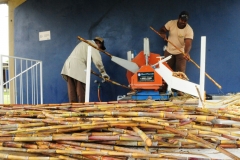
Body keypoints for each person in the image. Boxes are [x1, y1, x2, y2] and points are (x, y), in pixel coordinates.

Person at [61, 37, 110, 103]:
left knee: (72, 91)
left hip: (68, 66)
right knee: (81, 90)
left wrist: (88, 68)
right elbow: (98, 61)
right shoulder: (92, 44)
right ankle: (82, 110)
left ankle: (73, 110)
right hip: (78, 66)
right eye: (100, 47)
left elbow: (80, 57)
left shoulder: (84, 43)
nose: (99, 50)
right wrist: (103, 73)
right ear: (98, 43)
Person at [159, 11, 194, 95]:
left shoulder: (189, 30)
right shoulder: (171, 23)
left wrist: (186, 53)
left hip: (181, 52)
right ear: (179, 18)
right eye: (182, 20)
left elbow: (188, 43)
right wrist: (162, 34)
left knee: (181, 71)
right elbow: (162, 29)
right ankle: (166, 89)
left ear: (187, 21)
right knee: (166, 70)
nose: (183, 22)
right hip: (169, 51)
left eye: (185, 20)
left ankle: (180, 90)